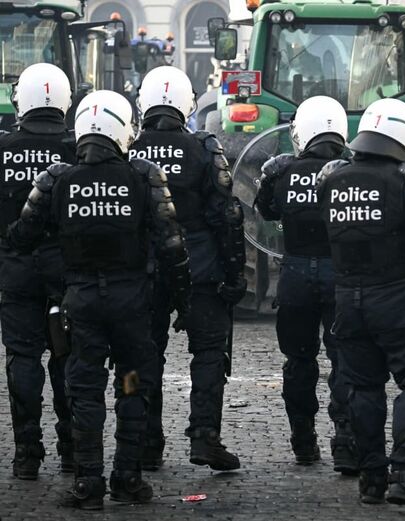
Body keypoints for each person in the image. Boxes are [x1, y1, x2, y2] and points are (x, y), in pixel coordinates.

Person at [7, 90, 191, 509]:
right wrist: (183, 299)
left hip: (83, 302)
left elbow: (22, 236)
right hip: (130, 304)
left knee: (85, 389)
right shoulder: (144, 176)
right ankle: (127, 476)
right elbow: (172, 246)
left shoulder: (56, 178)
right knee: (131, 383)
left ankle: (87, 481)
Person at [316, 98, 405, 509]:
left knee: (363, 389)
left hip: (348, 302)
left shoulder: (333, 179)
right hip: (400, 303)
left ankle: (371, 480)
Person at [131, 66, 247, 471]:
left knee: (145, 354)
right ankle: (205, 438)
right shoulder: (203, 147)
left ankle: (146, 442)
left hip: (144, 267)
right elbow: (227, 215)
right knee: (210, 353)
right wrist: (235, 274)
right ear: (188, 104)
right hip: (200, 265)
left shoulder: (128, 148)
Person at [255, 95, 357, 472]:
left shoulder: (282, 172)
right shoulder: (350, 173)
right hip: (340, 276)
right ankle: (346, 440)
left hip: (295, 274)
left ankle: (303, 441)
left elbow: (266, 212)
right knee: (344, 360)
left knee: (298, 361)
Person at [0, 63, 76, 479]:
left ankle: (27, 452)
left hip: (15, 267)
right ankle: (70, 447)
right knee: (68, 357)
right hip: (67, 270)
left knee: (22, 356)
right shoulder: (79, 147)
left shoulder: (3, 148)